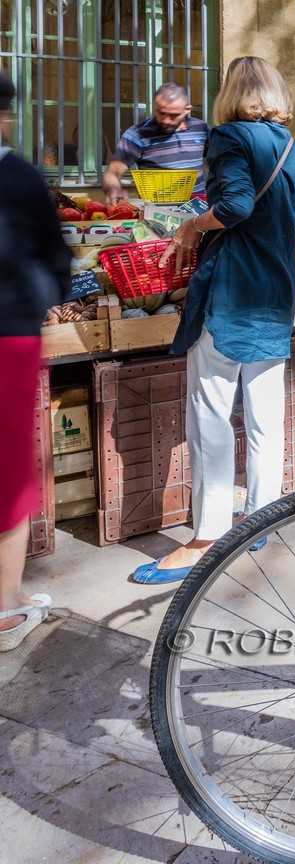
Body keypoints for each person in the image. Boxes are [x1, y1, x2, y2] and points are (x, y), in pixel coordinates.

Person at [131, 57, 295, 583]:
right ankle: (261, 517)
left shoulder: (228, 138)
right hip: (275, 296)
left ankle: (208, 536)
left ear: (230, 94)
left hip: (231, 295)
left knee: (210, 415)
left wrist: (194, 224)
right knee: (265, 415)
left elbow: (235, 204)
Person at [0, 70, 72, 648]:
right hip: (9, 335)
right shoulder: (19, 178)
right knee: (7, 470)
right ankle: (7, 606)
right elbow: (56, 261)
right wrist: (40, 301)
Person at [102, 83, 209, 202]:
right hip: (156, 212)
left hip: (197, 208)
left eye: (173, 115)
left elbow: (215, 164)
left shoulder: (200, 128)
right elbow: (112, 173)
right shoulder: (138, 134)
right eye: (161, 113)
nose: (166, 120)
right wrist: (113, 189)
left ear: (187, 110)